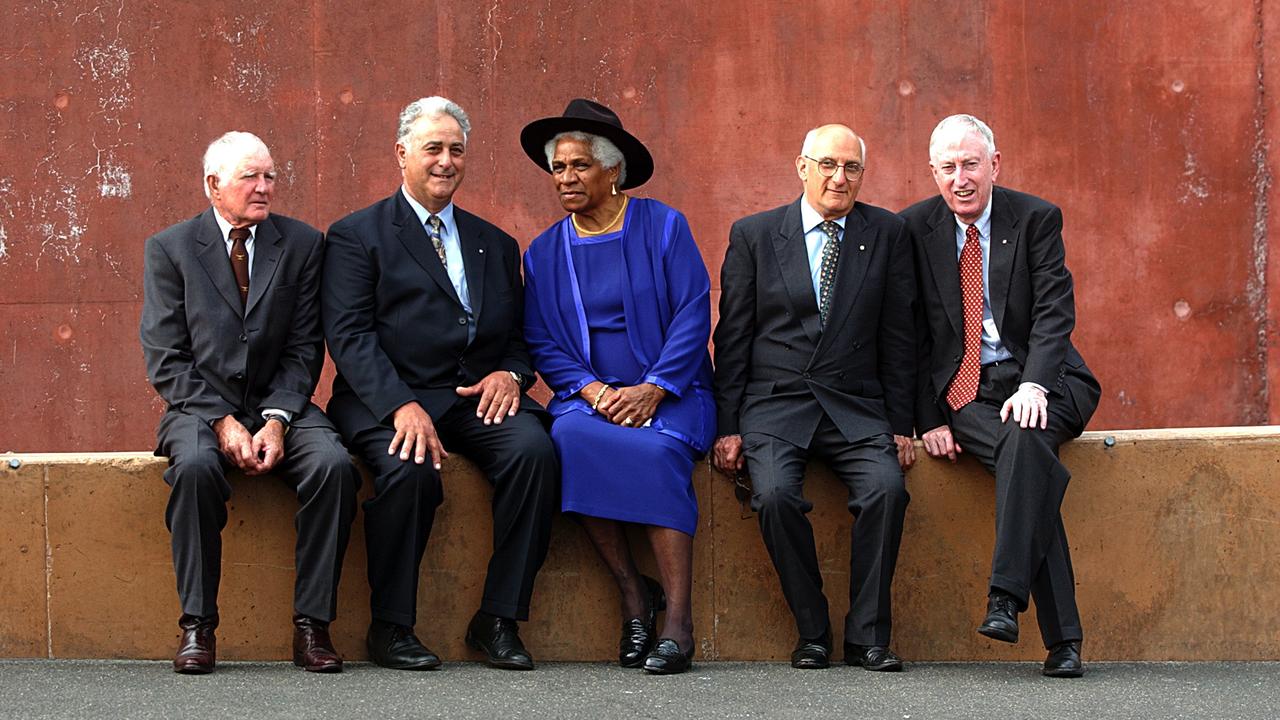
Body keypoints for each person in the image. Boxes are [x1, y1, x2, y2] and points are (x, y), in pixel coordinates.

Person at [321, 96, 558, 671]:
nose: (446, 161)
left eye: (456, 150)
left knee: (535, 453)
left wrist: (512, 374)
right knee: (410, 470)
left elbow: (519, 336)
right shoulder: (356, 235)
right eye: (433, 149)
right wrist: (399, 405)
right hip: (384, 399)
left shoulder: (495, 243)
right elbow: (349, 336)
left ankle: (498, 619)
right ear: (401, 154)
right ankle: (391, 627)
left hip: (473, 398)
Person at [140, 131, 360, 675]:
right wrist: (221, 421)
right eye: (250, 177)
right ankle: (198, 627)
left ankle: (312, 627)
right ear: (213, 184)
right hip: (198, 407)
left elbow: (305, 346)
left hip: (281, 404)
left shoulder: (302, 243)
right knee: (194, 468)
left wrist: (277, 419)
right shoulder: (170, 248)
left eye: (269, 176)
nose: (264, 188)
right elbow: (166, 357)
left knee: (334, 466)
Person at [900, 114, 1101, 678]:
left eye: (970, 164)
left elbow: (1054, 312)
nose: (960, 179)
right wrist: (926, 419)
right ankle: (1062, 642)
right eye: (948, 167)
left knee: (1025, 438)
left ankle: (1005, 596)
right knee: (1026, 457)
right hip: (969, 391)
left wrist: (1034, 383)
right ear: (933, 172)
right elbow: (909, 335)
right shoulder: (913, 228)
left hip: (1049, 380)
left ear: (994, 164)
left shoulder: (1035, 218)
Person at [519, 99, 716, 675]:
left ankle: (678, 622)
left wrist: (655, 387)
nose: (565, 178)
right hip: (590, 400)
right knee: (570, 441)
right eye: (558, 167)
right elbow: (541, 339)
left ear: (613, 171)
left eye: (579, 165)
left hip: (672, 393)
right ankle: (633, 595)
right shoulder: (544, 252)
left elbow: (693, 312)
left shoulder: (664, 226)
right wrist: (594, 392)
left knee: (656, 451)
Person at [712, 124, 915, 672]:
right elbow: (733, 336)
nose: (838, 178)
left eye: (851, 167)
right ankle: (813, 631)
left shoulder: (887, 233)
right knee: (774, 496)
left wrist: (902, 425)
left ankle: (867, 636)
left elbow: (900, 336)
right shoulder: (755, 234)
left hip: (856, 404)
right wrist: (727, 425)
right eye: (827, 164)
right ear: (802, 167)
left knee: (886, 491)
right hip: (776, 403)